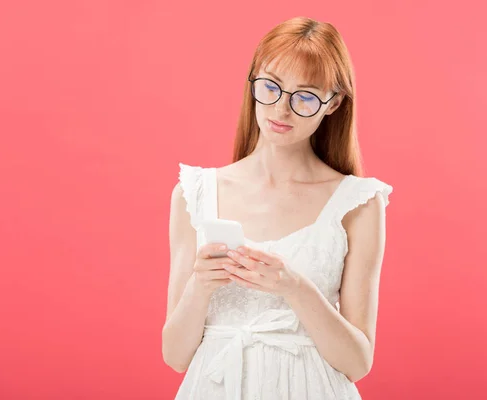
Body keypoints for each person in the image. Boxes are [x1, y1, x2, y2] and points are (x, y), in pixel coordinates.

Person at [162, 16, 393, 400]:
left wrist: (295, 288)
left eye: (304, 96)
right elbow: (175, 356)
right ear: (253, 83)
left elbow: (357, 363)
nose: (281, 109)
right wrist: (200, 286)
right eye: (270, 87)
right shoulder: (195, 193)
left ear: (333, 102)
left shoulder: (358, 202)